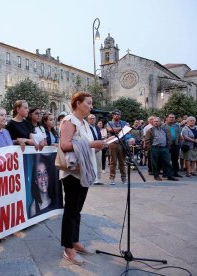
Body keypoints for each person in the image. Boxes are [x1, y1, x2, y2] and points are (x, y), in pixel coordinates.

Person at [59, 92, 105, 265]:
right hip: (72, 173)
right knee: (71, 211)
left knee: (77, 210)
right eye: (88, 103)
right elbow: (64, 145)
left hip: (84, 170)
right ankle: (67, 249)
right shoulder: (69, 121)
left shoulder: (85, 123)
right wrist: (92, 144)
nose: (91, 106)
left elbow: (84, 146)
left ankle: (75, 242)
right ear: (78, 103)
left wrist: (97, 147)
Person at [106, 109, 128, 185]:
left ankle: (124, 178)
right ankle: (112, 178)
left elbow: (128, 129)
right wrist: (121, 129)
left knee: (122, 162)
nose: (116, 115)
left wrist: (117, 130)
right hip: (113, 144)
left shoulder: (124, 122)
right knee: (113, 162)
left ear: (120, 115)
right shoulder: (110, 123)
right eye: (115, 114)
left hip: (122, 143)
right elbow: (110, 129)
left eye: (118, 114)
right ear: (112, 115)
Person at [87, 114, 104, 185]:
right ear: (88, 120)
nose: (92, 120)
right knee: (91, 164)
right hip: (91, 148)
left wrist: (100, 145)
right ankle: (91, 179)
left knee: (98, 163)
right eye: (91, 118)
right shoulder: (86, 127)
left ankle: (98, 179)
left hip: (98, 148)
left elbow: (99, 136)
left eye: (93, 118)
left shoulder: (97, 127)